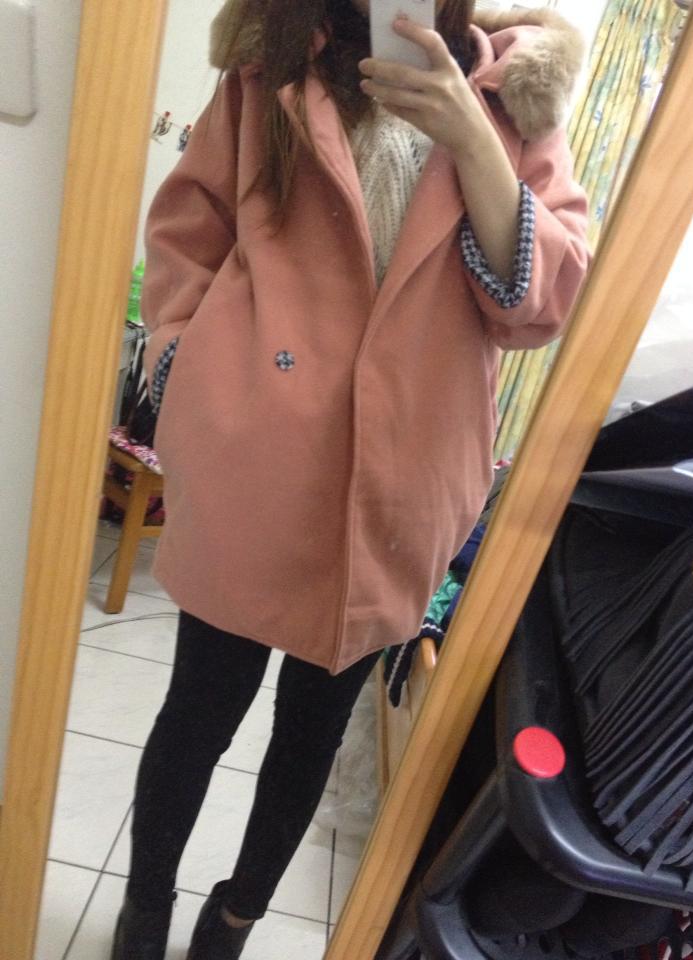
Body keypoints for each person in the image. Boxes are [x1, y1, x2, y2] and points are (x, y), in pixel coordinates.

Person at [112, 0, 590, 957]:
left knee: (310, 738)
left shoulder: (514, 98)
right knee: (197, 713)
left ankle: (232, 920)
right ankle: (145, 910)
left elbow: (541, 309)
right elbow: (188, 228)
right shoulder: (270, 67)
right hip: (254, 457)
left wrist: (474, 139)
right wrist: (181, 356)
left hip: (401, 483)